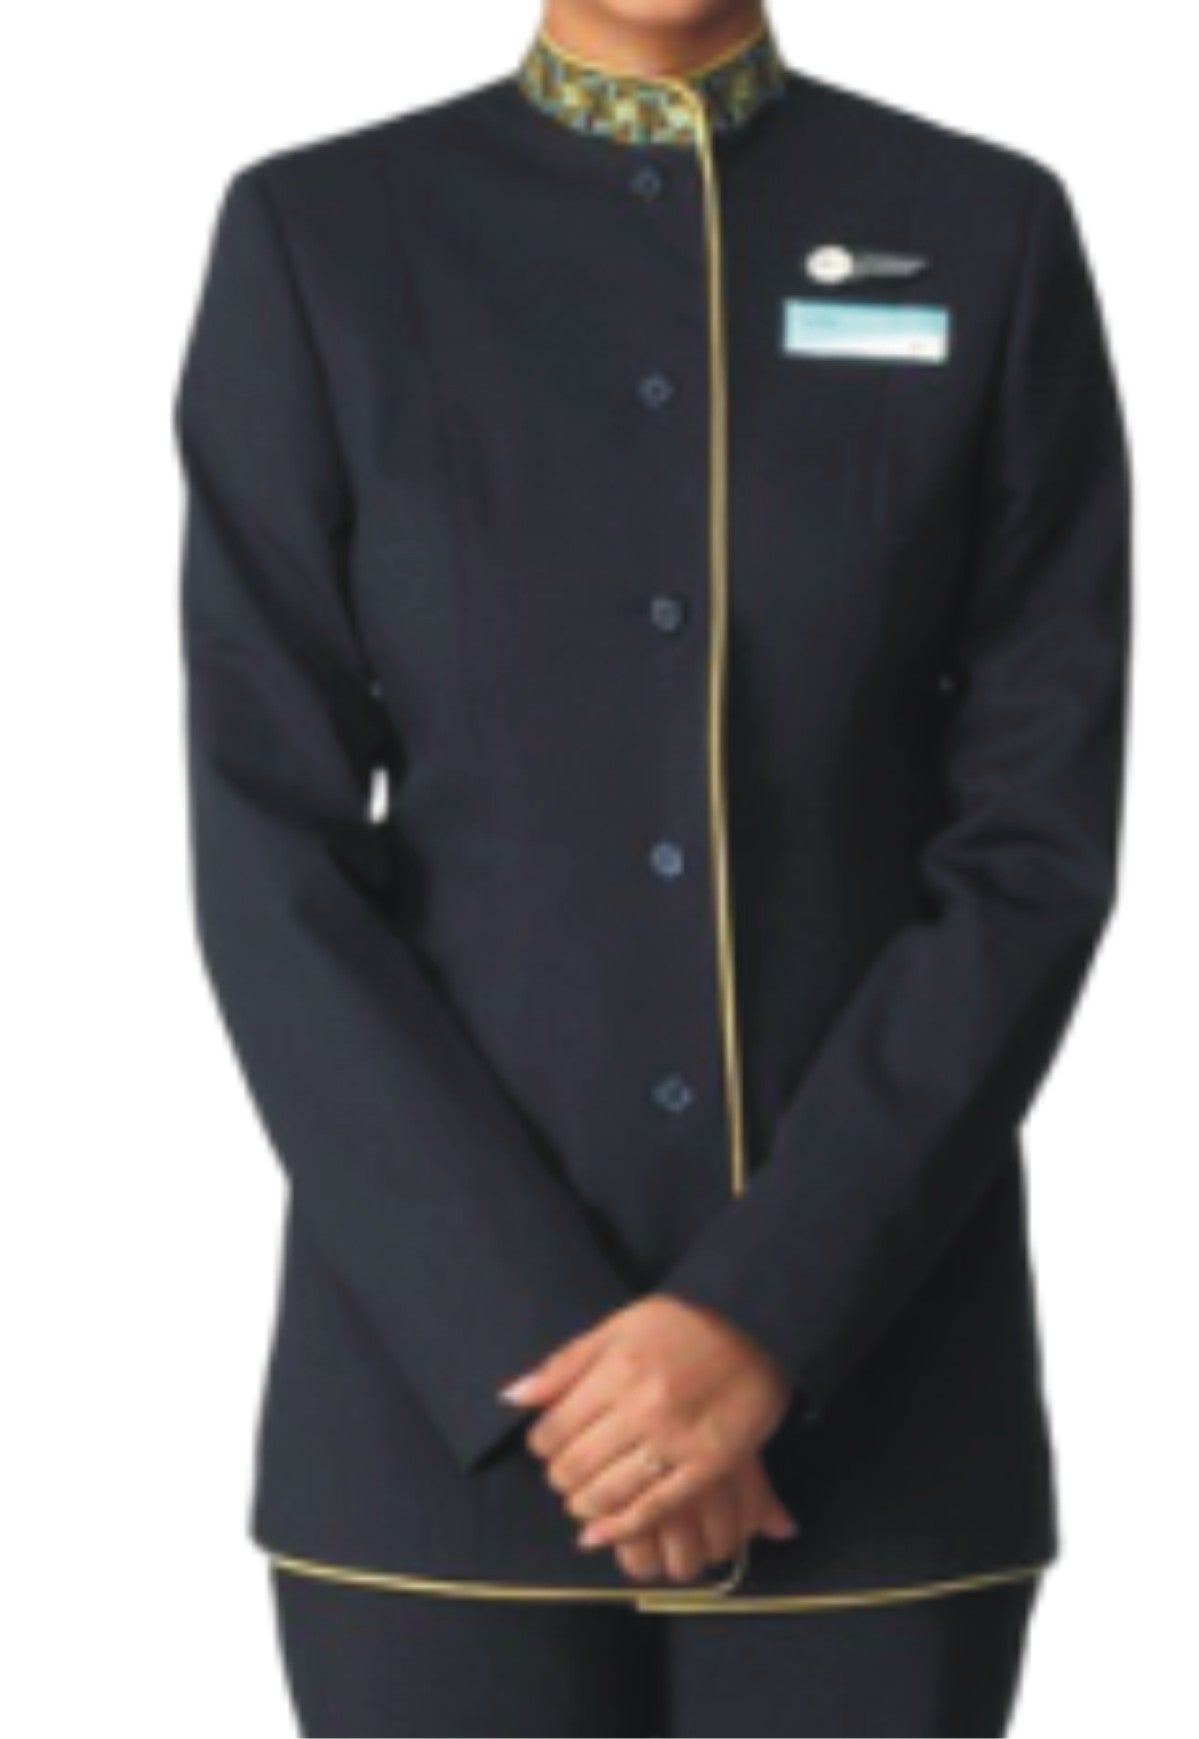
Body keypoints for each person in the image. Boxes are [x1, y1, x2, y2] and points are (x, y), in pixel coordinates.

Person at [174, 0, 1131, 1732]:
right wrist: (542, 1354)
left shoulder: (986, 232)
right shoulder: (321, 239)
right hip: (437, 1441)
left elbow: (1032, 851)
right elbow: (270, 857)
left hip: (887, 1421)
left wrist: (768, 1319)